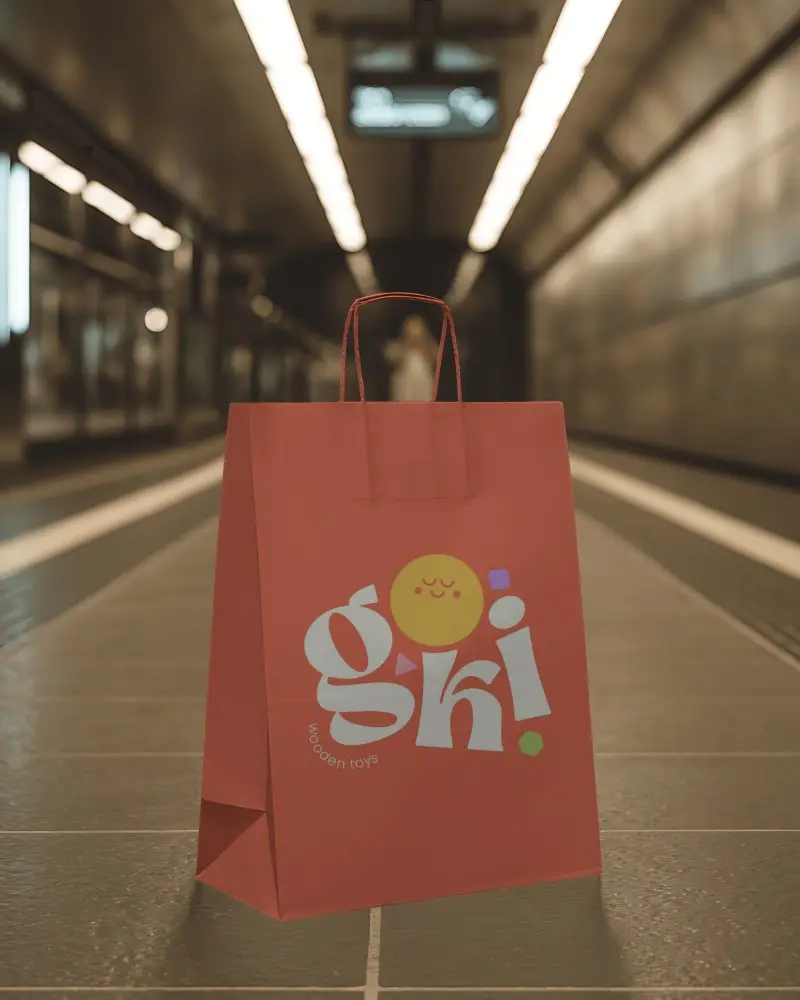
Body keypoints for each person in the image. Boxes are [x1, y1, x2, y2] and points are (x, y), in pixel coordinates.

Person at [384, 314, 438, 402]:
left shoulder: (429, 348)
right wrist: (407, 347)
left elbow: (436, 356)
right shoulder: (398, 348)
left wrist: (423, 347)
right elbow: (390, 355)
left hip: (424, 387)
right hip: (404, 387)